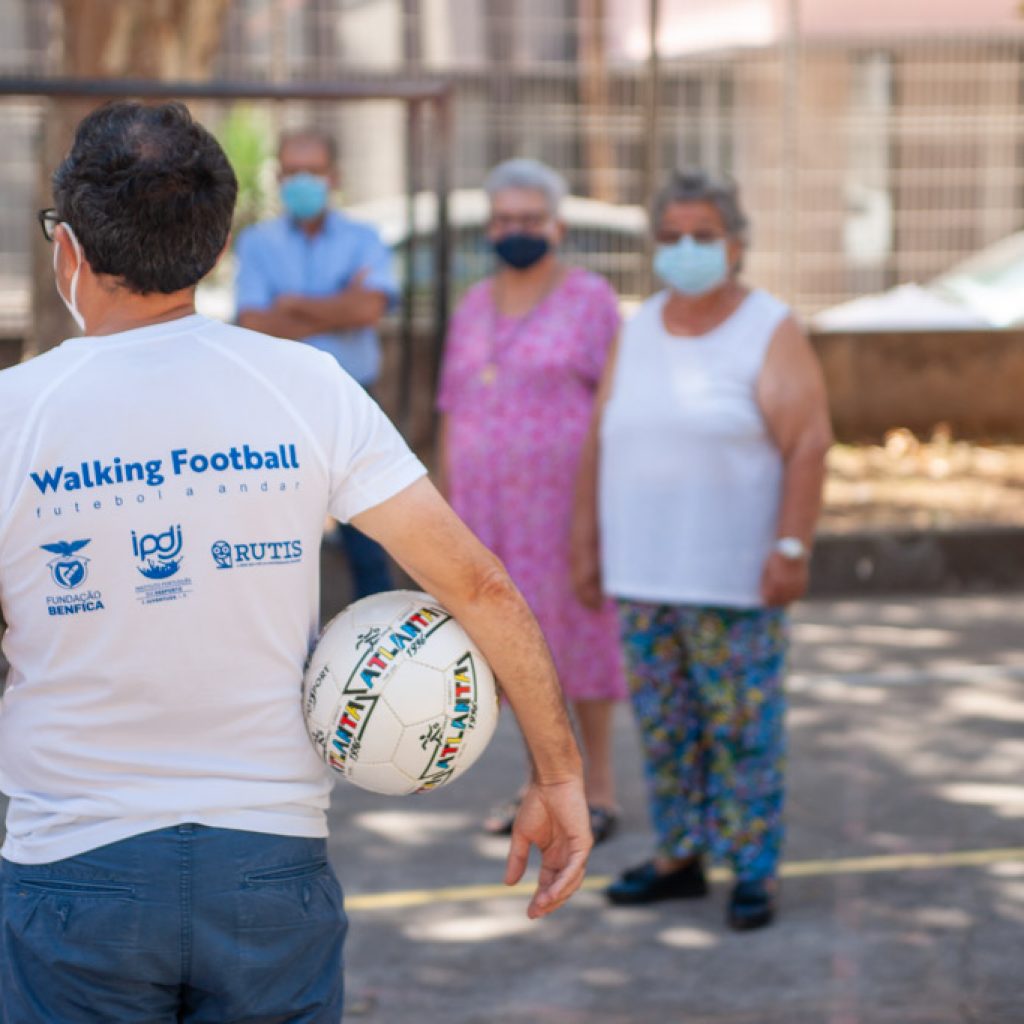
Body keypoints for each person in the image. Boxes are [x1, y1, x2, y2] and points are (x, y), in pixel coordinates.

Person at [0, 101, 591, 1023]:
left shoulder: (15, 414)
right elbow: (479, 585)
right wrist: (557, 776)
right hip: (268, 865)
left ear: (68, 246)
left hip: (74, 869)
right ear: (216, 240)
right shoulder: (307, 387)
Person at [572, 169, 832, 930]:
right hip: (644, 572)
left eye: (703, 235)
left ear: (736, 244)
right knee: (665, 724)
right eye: (671, 236)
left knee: (743, 728)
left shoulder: (769, 327)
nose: (686, 249)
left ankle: (754, 866)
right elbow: (601, 438)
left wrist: (792, 545)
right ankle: (681, 855)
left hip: (734, 576)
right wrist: (586, 541)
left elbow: (809, 443)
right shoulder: (640, 326)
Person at [436, 158, 628, 844]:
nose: (516, 230)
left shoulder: (591, 299)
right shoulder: (471, 305)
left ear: (557, 225)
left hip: (564, 511)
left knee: (580, 641)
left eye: (530, 219)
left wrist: (600, 516)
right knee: (514, 651)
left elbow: (615, 409)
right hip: (488, 517)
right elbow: (451, 409)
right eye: (504, 219)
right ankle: (538, 787)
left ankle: (597, 787)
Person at [234, 127, 395, 599]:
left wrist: (290, 306)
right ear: (279, 176)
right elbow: (254, 324)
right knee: (277, 546)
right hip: (280, 408)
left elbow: (368, 310)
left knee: (369, 541)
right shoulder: (257, 242)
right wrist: (338, 304)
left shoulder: (365, 237)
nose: (302, 181)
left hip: (355, 403)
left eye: (314, 172)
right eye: (293, 172)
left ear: (335, 176)